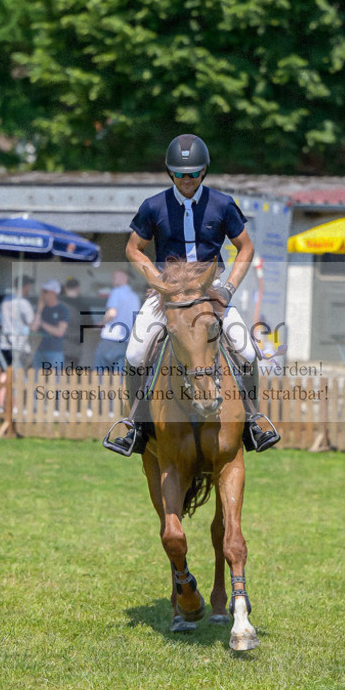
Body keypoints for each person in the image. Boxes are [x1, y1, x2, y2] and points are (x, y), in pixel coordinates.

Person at [103, 132, 279, 456]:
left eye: (194, 173)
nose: (187, 179)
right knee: (134, 354)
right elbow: (133, 249)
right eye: (181, 173)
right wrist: (159, 283)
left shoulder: (223, 204)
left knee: (248, 351)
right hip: (167, 297)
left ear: (204, 171)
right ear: (171, 172)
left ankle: (253, 420)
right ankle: (135, 424)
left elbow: (246, 247)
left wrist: (227, 289)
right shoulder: (153, 206)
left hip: (211, 293)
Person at [93, 269, 141, 373]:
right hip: (125, 341)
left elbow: (112, 313)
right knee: (119, 377)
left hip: (110, 339)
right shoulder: (135, 297)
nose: (112, 280)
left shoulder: (116, 292)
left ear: (124, 277)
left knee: (99, 376)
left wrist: (101, 324)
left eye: (114, 277)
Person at [0, 275, 35, 410]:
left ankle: (1, 404)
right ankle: (16, 406)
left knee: (6, 373)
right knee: (19, 376)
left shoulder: (6, 300)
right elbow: (33, 325)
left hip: (5, 342)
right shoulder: (24, 304)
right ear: (25, 286)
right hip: (19, 345)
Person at [31, 279, 69, 372]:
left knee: (55, 383)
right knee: (37, 381)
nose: (42, 294)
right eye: (42, 291)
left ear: (53, 293)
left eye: (45, 291)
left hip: (54, 351)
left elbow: (59, 332)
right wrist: (39, 310)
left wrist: (42, 324)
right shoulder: (40, 308)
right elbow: (33, 328)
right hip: (38, 350)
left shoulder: (62, 309)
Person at [62, 276, 84, 370]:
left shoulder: (59, 304)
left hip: (60, 344)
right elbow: (89, 323)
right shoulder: (82, 305)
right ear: (78, 288)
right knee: (71, 375)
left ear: (65, 289)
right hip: (75, 345)